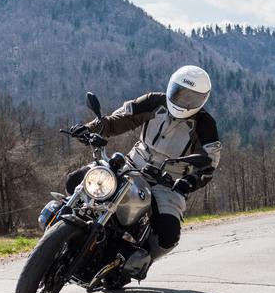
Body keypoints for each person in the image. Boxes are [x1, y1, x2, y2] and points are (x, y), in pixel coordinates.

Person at [67, 65, 222, 277]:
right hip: (132, 164)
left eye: (190, 98)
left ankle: (138, 261)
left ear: (202, 99)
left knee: (168, 234)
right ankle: (63, 227)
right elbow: (118, 120)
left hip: (168, 181)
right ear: (171, 88)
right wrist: (90, 128)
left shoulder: (205, 125)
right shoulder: (154, 102)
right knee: (76, 180)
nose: (183, 101)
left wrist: (191, 181)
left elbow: (210, 162)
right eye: (180, 93)